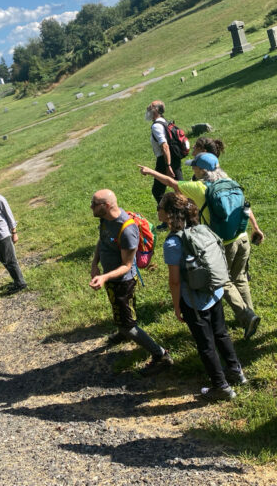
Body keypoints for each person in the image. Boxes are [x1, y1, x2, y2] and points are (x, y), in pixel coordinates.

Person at [138, 153, 264, 340]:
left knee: (223, 281)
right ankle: (249, 317)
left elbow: (171, 183)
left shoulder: (199, 188)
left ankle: (247, 316)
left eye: (194, 167)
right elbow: (246, 207)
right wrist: (256, 227)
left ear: (201, 170)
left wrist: (150, 172)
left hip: (224, 243)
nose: (192, 170)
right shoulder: (230, 181)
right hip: (242, 237)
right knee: (240, 278)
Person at [160, 192, 246, 401]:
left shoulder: (173, 243)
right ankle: (235, 371)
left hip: (194, 301)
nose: (158, 211)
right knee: (221, 333)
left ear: (170, 215)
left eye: (160, 207)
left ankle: (221, 387)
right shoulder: (202, 229)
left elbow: (175, 281)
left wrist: (177, 305)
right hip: (214, 291)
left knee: (205, 345)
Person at [89, 189, 173, 375]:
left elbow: (127, 265)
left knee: (127, 322)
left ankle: (160, 355)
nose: (91, 207)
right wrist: (95, 264)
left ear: (106, 206)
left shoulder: (127, 230)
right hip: (112, 279)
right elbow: (102, 241)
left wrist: (104, 277)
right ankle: (123, 331)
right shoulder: (105, 219)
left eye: (94, 203)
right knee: (122, 310)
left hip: (122, 282)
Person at [145, 100, 183, 230]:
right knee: (180, 188)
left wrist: (168, 165)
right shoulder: (164, 121)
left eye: (150, 107)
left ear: (156, 110)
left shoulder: (156, 126)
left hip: (165, 160)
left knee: (158, 191)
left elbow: (165, 146)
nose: (148, 110)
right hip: (174, 158)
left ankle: (169, 219)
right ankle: (184, 214)